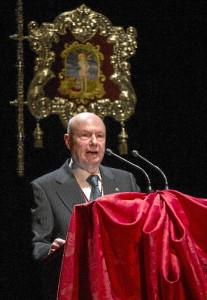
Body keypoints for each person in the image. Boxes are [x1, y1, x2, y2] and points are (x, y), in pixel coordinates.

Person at [31, 112, 140, 260]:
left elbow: (140, 232)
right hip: (75, 279)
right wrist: (51, 250)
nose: (94, 142)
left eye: (100, 136)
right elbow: (37, 245)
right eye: (85, 135)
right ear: (68, 141)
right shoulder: (44, 187)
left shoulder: (126, 180)